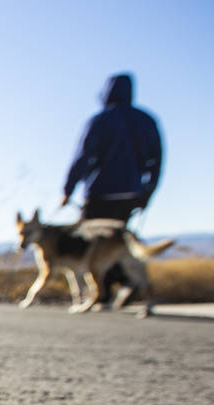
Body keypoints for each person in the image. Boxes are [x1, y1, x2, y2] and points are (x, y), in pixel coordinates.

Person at [62, 73, 163, 303]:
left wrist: (68, 190)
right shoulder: (146, 121)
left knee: (91, 243)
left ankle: (104, 293)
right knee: (118, 241)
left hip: (100, 192)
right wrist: (148, 191)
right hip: (132, 193)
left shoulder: (101, 120)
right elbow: (157, 160)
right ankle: (122, 285)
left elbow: (83, 156)